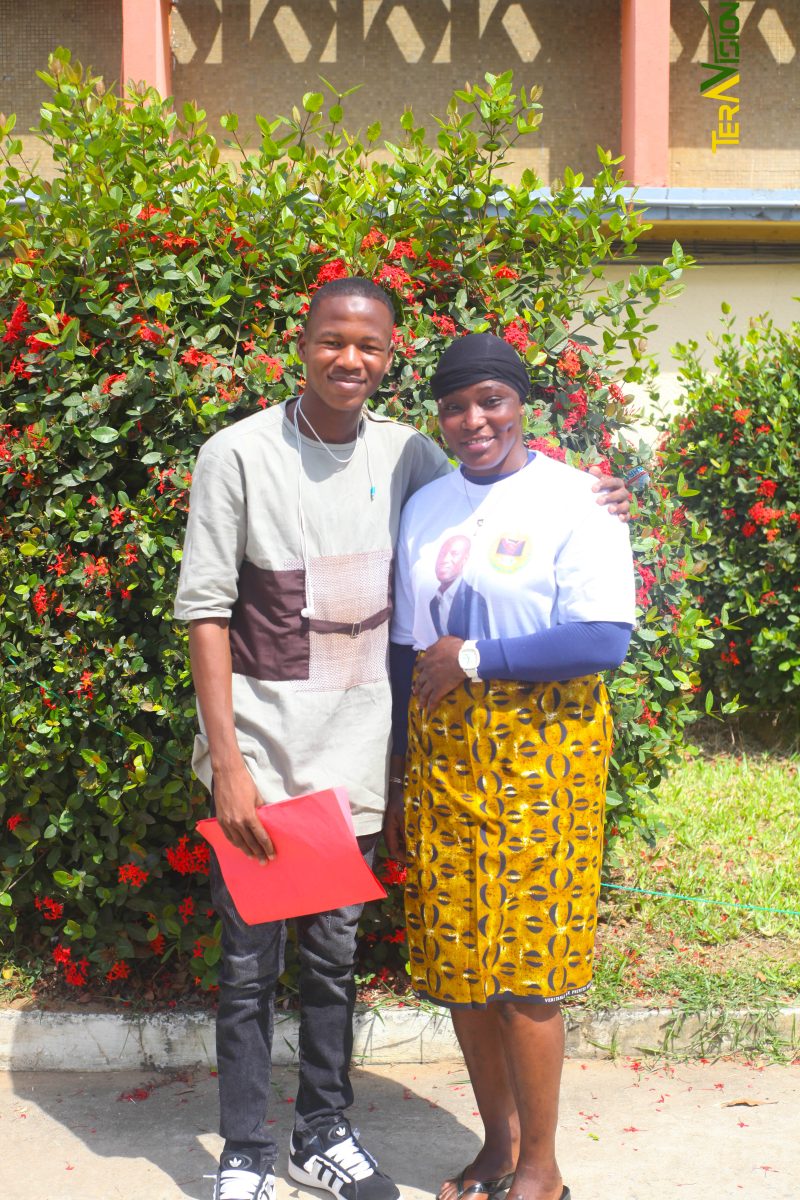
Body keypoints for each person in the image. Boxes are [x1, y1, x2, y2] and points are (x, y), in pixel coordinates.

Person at [174, 278, 631, 1200]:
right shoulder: (237, 454)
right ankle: (248, 1153)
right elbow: (206, 610)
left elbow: (502, 492)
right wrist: (226, 762)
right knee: (250, 967)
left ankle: (323, 1133)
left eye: (370, 347)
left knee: (336, 961)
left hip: (358, 765)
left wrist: (594, 495)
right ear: (300, 344)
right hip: (264, 755)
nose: (350, 360)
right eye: (332, 341)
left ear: (390, 359)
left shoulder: (409, 456)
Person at [385, 332, 636, 1200]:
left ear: (521, 401)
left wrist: (478, 660)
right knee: (462, 965)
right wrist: (394, 775)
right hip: (447, 757)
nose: (473, 419)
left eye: (490, 399)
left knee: (527, 970)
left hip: (545, 758)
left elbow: (603, 637)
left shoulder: (577, 499)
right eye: (454, 405)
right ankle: (498, 1144)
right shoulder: (426, 505)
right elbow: (406, 652)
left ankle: (541, 1168)